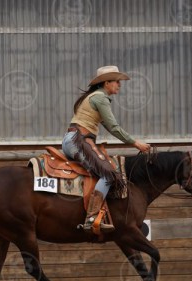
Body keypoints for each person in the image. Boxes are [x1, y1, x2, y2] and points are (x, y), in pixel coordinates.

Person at [62, 65, 151, 234]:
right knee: (109, 175)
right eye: (116, 81)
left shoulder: (93, 98)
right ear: (106, 83)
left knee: (101, 171)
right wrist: (135, 143)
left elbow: (107, 125)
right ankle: (91, 218)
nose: (119, 85)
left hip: (74, 140)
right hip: (78, 141)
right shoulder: (100, 98)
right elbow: (113, 127)